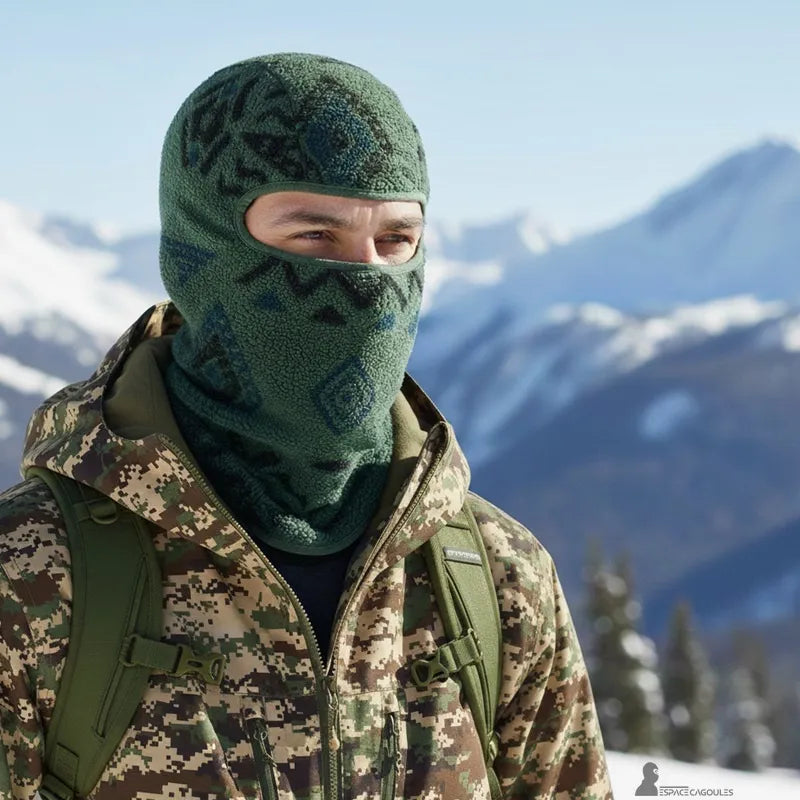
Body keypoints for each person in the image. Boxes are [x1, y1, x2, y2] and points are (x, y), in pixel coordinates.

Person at [0, 53, 612, 799]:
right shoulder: (31, 577)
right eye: (314, 236)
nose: (366, 282)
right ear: (204, 247)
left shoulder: (499, 580)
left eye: (396, 241)